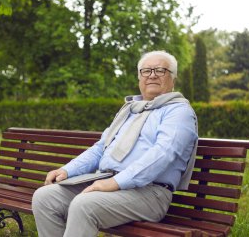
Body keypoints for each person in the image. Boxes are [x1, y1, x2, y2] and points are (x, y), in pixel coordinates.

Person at [32, 50, 198, 237]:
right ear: (139, 77)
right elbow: (100, 148)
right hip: (108, 182)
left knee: (84, 205)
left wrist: (116, 182)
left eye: (160, 70)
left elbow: (163, 154)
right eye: (146, 71)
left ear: (172, 78)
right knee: (44, 197)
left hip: (150, 193)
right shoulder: (130, 111)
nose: (152, 75)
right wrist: (67, 170)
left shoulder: (178, 111)